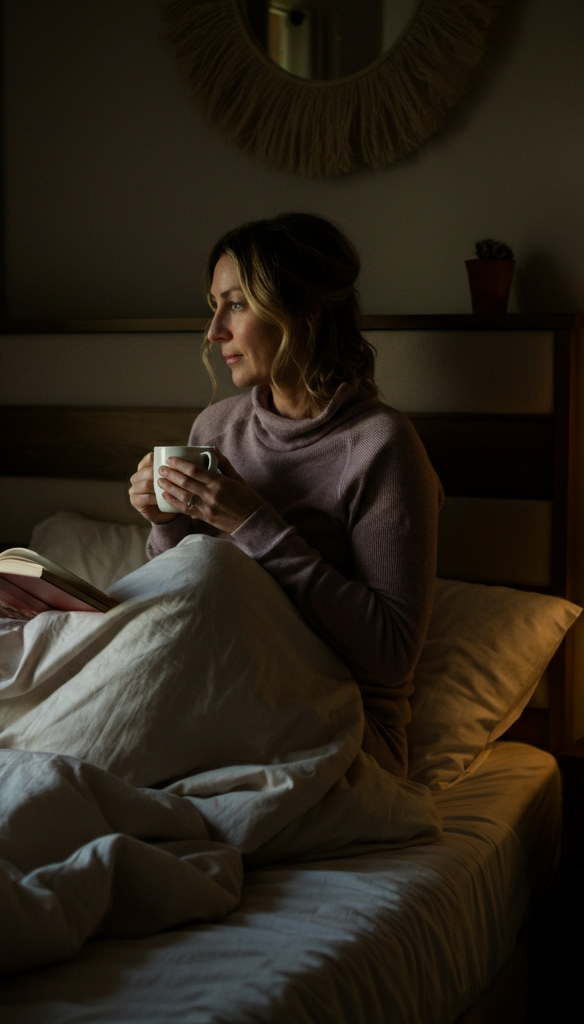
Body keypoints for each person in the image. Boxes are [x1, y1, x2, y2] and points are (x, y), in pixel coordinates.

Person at [128, 213, 440, 778]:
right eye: (214, 306)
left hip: (343, 726)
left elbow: (391, 656)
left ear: (303, 311)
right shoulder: (217, 428)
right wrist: (165, 519)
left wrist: (255, 525)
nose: (213, 330)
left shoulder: (380, 446)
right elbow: (179, 607)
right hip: (208, 688)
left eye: (237, 304)